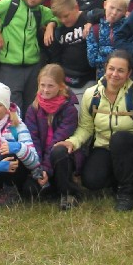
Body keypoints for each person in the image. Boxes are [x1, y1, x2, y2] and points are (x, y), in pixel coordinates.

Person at [51, 50, 133, 212]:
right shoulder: (91, 94)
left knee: (119, 139)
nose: (115, 74)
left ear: (129, 73)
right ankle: (118, 177)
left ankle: (127, 192)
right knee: (91, 181)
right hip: (104, 147)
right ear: (105, 68)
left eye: (121, 70)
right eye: (111, 68)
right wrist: (72, 142)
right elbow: (86, 128)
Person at [23, 64, 80, 210]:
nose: (45, 90)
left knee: (59, 150)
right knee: (29, 191)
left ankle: (68, 193)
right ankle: (50, 187)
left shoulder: (69, 109)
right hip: (40, 161)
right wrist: (38, 169)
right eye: (42, 85)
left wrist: (46, 169)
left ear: (61, 86)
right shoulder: (33, 109)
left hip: (60, 159)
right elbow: (33, 140)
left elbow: (57, 140)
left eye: (50, 86)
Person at [48, 0, 96, 94]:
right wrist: (51, 24)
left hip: (88, 79)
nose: (63, 20)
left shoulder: (88, 19)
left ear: (76, 7)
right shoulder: (59, 29)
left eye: (66, 16)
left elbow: (103, 13)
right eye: (59, 17)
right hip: (66, 80)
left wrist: (91, 22)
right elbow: (55, 58)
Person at [86, 0, 133, 80]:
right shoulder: (95, 29)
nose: (114, 13)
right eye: (112, 7)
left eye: (119, 10)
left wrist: (105, 53)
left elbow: (131, 55)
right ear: (105, 5)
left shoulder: (129, 30)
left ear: (125, 11)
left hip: (124, 78)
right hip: (103, 78)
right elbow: (92, 61)